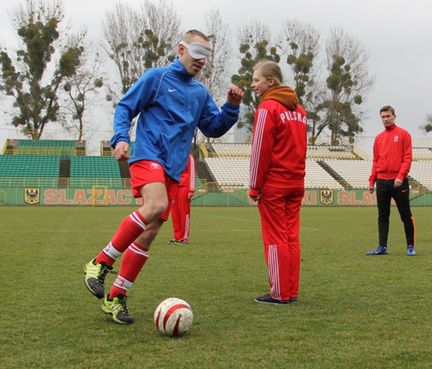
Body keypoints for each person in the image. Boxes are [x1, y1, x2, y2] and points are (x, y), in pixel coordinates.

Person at [83, 29, 244, 324]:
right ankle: (100, 262)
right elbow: (126, 106)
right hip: (148, 154)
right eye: (197, 54)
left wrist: (231, 108)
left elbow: (213, 127)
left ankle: (116, 297)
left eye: (206, 57)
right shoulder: (156, 78)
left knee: (150, 231)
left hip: (173, 167)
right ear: (181, 49)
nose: (201, 61)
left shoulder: (199, 93)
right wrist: (120, 138)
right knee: (155, 205)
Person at [248, 60, 307, 305]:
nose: (253, 85)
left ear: (270, 82)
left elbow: (260, 149)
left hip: (274, 184)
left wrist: (254, 185)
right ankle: (290, 291)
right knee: (291, 237)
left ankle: (279, 293)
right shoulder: (299, 111)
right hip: (295, 182)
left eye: (256, 80)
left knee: (274, 238)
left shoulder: (267, 108)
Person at [366, 105, 416, 256]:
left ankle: (410, 246)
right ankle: (382, 247)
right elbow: (376, 160)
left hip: (398, 181)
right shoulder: (379, 138)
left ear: (394, 116)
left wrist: (401, 176)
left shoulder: (403, 134)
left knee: (405, 215)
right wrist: (371, 181)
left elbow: (407, 158)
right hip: (382, 181)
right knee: (382, 216)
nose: (385, 119)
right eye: (383, 117)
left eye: (388, 116)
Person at [168, 151, 195, 245]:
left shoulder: (188, 155)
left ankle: (184, 238)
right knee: (175, 213)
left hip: (184, 187)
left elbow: (191, 171)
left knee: (184, 212)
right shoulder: (172, 154)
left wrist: (191, 190)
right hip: (174, 186)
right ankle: (177, 237)